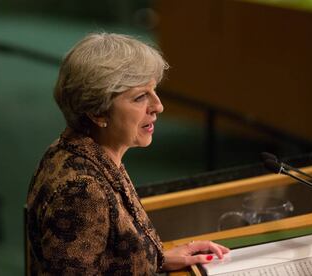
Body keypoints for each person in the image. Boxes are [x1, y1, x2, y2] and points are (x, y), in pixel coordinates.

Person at [26, 32, 229, 275]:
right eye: (140, 96)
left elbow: (108, 257)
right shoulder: (82, 190)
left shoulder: (80, 149)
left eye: (153, 91)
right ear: (97, 112)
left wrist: (158, 259)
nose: (158, 106)